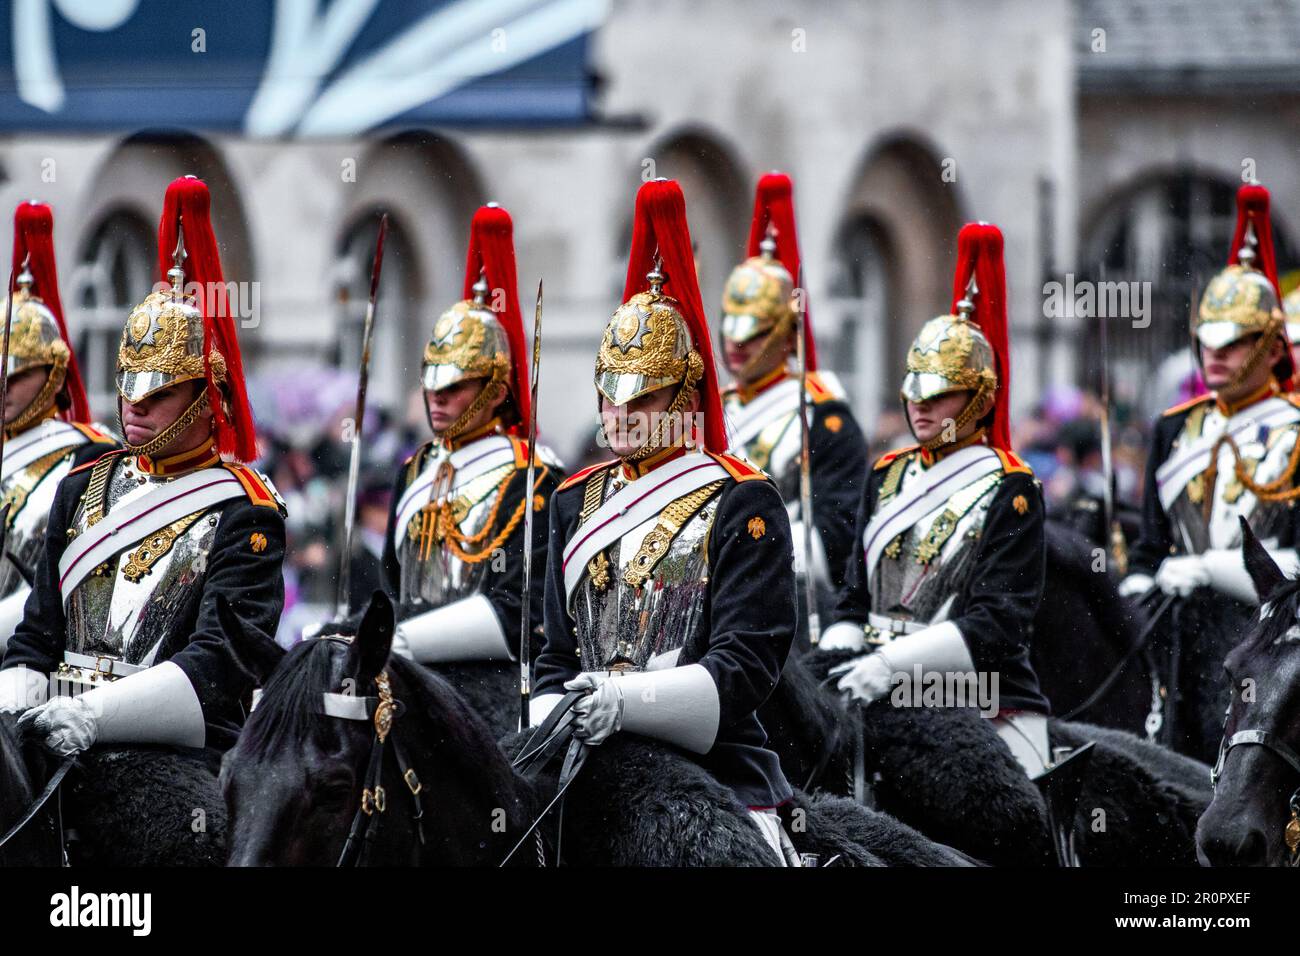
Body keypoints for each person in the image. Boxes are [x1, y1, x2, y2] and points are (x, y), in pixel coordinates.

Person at [532, 179, 801, 865]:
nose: (621, 413)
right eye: (611, 393)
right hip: (580, 765)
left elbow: (743, 668)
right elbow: (555, 654)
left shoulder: (742, 502)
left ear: (682, 392)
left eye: (643, 398)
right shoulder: (572, 501)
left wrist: (623, 703)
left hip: (713, 768)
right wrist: (551, 716)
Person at [0, 175, 285, 773]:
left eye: (158, 390)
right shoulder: (83, 486)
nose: (134, 402)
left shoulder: (247, 513)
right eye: (128, 381)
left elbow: (216, 667)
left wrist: (95, 716)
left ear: (210, 395)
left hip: (174, 752)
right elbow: (35, 639)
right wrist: (12, 718)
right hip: (54, 736)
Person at [820, 222, 1054, 779]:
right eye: (914, 391)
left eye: (940, 394)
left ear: (978, 399)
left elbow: (998, 625)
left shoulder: (1012, 489)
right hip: (871, 684)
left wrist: (891, 665)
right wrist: (836, 647)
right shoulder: (885, 474)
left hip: (979, 695)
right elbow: (855, 595)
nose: (920, 407)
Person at [376, 203, 563, 664]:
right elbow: (392, 583)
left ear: (496, 391)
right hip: (404, 667)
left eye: (455, 386)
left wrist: (407, 641)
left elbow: (523, 609)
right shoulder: (415, 469)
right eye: (432, 381)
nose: (436, 398)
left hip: (489, 671)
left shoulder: (532, 478)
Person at [1120, 183, 1300, 604]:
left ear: (1273, 349)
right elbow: (1151, 545)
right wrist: (1139, 586)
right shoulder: (1175, 427)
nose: (1215, 355)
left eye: (1234, 343)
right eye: (1208, 342)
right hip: (1177, 619)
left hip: (1269, 626)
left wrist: (1213, 570)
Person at [719, 173, 867, 636]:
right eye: (732, 328)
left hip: (793, 600)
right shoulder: (713, 411)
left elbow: (840, 536)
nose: (737, 345)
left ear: (786, 333)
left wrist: (744, 555)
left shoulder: (825, 418)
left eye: (756, 332)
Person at [0, 201, 116, 649]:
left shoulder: (88, 455)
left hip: (34, 652)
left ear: (53, 372)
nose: (5, 390)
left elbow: (71, 584)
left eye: (18, 376)